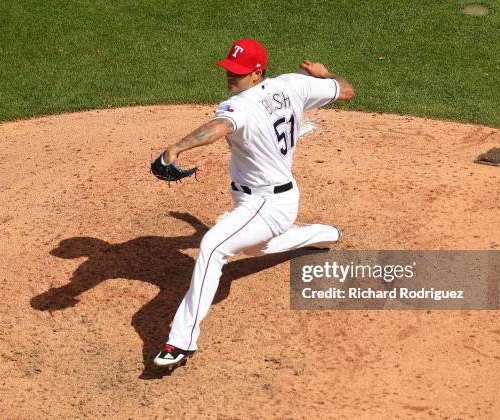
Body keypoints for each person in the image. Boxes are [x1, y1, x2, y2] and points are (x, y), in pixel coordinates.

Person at [152, 38, 355, 368]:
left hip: (265, 203)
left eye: (239, 72)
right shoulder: (293, 84)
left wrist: (176, 148)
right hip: (269, 199)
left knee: (213, 247)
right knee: (255, 249)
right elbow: (345, 90)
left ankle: (181, 342)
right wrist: (324, 74)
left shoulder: (240, 105)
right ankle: (324, 234)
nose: (231, 77)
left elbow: (218, 127)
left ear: (258, 73)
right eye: (230, 70)